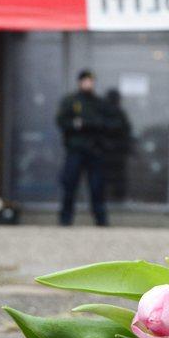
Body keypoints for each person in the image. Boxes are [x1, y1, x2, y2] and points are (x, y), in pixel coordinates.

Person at [55, 70, 113, 226]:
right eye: (85, 80)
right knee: (70, 184)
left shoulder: (99, 102)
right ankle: (65, 219)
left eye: (91, 81)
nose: (88, 83)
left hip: (95, 150)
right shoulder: (71, 101)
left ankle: (101, 220)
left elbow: (108, 123)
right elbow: (61, 121)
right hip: (76, 150)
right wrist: (77, 124)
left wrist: (85, 124)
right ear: (80, 82)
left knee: (97, 186)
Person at [101, 88, 133, 201]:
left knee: (111, 178)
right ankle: (116, 198)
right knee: (113, 177)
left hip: (112, 151)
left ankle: (114, 198)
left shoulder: (116, 113)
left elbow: (126, 131)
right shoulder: (117, 113)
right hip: (111, 151)